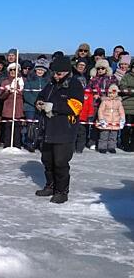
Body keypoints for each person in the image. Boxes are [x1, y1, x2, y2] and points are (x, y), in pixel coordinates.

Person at [35, 56, 84, 204]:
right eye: (54, 73)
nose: (56, 76)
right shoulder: (51, 84)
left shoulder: (74, 85)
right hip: (48, 128)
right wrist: (39, 103)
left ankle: (62, 191)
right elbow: (41, 95)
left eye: (59, 74)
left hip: (64, 130)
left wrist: (52, 107)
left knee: (60, 162)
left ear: (67, 72)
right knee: (47, 160)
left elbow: (76, 107)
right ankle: (50, 185)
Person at [23, 58, 50, 151]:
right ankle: (29, 142)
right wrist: (35, 102)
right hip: (30, 106)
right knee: (31, 125)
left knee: (41, 125)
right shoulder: (29, 80)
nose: (40, 71)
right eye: (38, 69)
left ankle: (39, 142)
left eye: (42, 70)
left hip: (43, 106)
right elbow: (26, 93)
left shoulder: (47, 81)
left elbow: (48, 93)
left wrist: (42, 103)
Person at [0, 62, 24, 148]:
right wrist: (7, 92)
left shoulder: (22, 82)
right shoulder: (5, 82)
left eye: (15, 70)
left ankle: (17, 145)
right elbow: (1, 96)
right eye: (11, 70)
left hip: (18, 107)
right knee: (8, 127)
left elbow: (24, 93)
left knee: (17, 127)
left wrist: (19, 91)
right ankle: (7, 145)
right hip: (8, 107)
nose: (13, 71)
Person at [96, 84, 125, 154]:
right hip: (105, 121)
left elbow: (121, 112)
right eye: (110, 93)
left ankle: (111, 147)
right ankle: (102, 147)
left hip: (115, 122)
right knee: (104, 135)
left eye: (114, 93)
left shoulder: (118, 102)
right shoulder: (105, 101)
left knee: (113, 136)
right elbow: (100, 110)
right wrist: (101, 119)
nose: (112, 95)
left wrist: (122, 119)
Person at [119, 60, 134, 151]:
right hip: (127, 106)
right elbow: (122, 87)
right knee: (126, 127)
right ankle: (125, 143)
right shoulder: (126, 77)